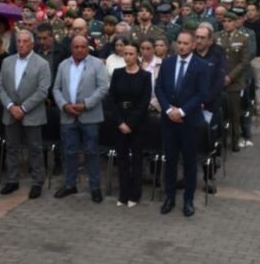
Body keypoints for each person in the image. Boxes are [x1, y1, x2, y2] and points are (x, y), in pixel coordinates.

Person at [155, 30, 210, 217]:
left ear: (193, 45)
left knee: (189, 162)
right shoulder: (168, 63)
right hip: (169, 121)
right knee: (170, 160)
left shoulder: (201, 66)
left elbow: (202, 94)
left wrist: (182, 111)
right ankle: (169, 197)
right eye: (179, 42)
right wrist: (168, 110)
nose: (182, 46)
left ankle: (188, 200)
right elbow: (159, 88)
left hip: (189, 121)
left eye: (186, 43)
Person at [52, 35, 110, 203]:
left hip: (90, 116)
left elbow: (103, 88)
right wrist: (64, 105)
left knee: (91, 152)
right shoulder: (63, 65)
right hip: (68, 115)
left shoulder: (97, 64)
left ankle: (95, 187)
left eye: (83, 47)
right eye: (76, 47)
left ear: (88, 48)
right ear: (71, 48)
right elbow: (56, 89)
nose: (79, 50)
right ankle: (70, 184)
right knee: (69, 151)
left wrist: (85, 105)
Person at [0, 30, 51, 198]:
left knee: (35, 148)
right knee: (12, 147)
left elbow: (42, 91)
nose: (21, 44)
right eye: (18, 41)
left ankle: (37, 182)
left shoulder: (42, 64)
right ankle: (12, 180)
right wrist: (11, 106)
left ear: (32, 44)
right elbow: (0, 87)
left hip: (32, 113)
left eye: (25, 41)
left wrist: (23, 109)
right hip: (10, 112)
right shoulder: (7, 62)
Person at [107, 42, 152, 207]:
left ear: (138, 55)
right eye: (125, 53)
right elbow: (112, 99)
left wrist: (130, 124)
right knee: (122, 159)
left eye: (131, 53)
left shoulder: (145, 76)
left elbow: (144, 102)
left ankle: (135, 194)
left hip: (137, 123)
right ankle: (123, 194)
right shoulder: (118, 73)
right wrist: (120, 122)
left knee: (137, 159)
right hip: (120, 121)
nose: (127, 57)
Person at [217, 11, 252, 151]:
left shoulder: (243, 38)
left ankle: (235, 139)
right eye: (224, 21)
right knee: (220, 112)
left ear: (235, 22)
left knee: (234, 113)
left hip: (235, 82)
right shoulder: (217, 37)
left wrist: (230, 77)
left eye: (229, 21)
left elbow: (245, 62)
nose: (226, 24)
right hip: (219, 81)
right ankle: (221, 140)